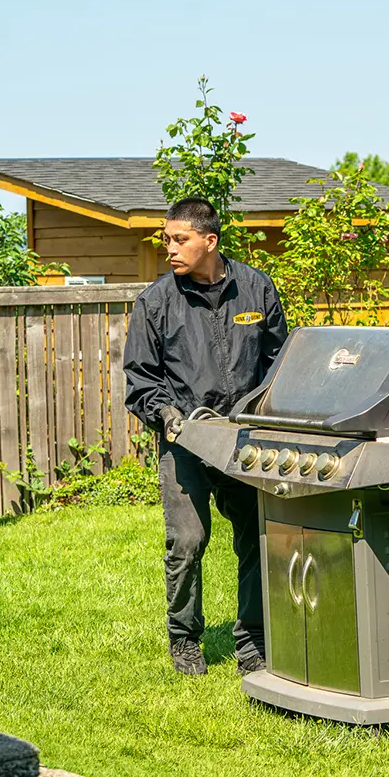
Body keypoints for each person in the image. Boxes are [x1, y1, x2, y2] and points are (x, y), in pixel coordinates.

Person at [124, 197, 288, 677]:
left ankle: (252, 640)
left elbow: (280, 361)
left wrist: (263, 416)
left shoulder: (257, 289)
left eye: (180, 239)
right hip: (186, 443)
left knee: (257, 538)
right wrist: (171, 418)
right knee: (188, 541)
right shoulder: (155, 302)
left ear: (210, 241)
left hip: (244, 441)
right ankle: (184, 637)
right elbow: (140, 380)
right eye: (166, 239)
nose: (169, 248)